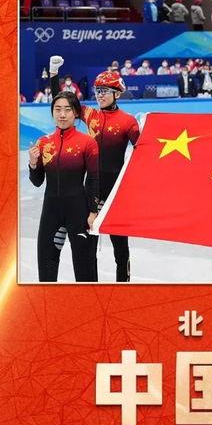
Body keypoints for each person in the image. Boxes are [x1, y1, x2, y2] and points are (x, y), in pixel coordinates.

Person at [50, 56, 140, 282]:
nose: (100, 95)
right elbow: (61, 100)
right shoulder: (90, 115)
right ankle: (91, 286)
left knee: (120, 245)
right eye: (97, 91)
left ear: (117, 94)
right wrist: (53, 74)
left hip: (115, 192)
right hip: (90, 190)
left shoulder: (128, 121)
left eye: (105, 91)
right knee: (87, 243)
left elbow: (142, 152)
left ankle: (123, 286)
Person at [28, 91, 98, 282]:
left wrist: (93, 212)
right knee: (46, 267)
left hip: (79, 211)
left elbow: (93, 179)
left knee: (85, 270)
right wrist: (33, 163)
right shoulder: (43, 143)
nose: (62, 114)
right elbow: (37, 181)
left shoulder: (87, 142)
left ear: (75, 113)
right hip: (51, 211)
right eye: (58, 109)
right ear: (52, 113)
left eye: (67, 109)